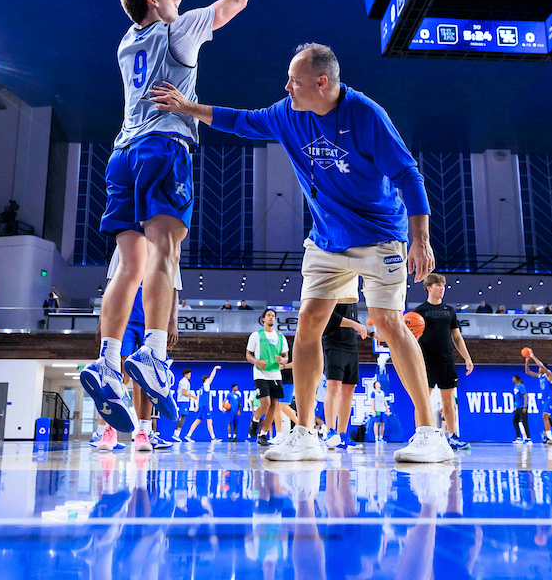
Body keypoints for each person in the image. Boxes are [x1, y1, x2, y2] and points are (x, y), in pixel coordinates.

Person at [150, 43, 450, 463]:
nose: (286, 86)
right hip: (327, 239)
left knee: (387, 323)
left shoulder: (365, 115)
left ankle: (428, 431)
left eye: (294, 80)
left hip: (380, 235)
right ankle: (305, 431)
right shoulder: (287, 113)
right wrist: (187, 107)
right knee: (308, 322)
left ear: (322, 82)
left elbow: (407, 175)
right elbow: (241, 121)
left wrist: (421, 238)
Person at [80, 0, 260, 434]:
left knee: (127, 266)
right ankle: (153, 353)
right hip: (165, 145)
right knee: (165, 254)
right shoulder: (181, 29)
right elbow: (235, 3)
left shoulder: (127, 42)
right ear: (159, 5)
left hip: (121, 155)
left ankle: (108, 361)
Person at [95, 247, 182, 452]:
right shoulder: (123, 244)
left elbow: (175, 289)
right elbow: (111, 286)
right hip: (124, 317)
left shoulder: (167, 243)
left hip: (154, 320)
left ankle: (143, 431)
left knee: (145, 376)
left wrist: (173, 321)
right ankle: (108, 430)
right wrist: (102, 319)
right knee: (118, 371)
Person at [413, 273, 474, 450]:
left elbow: (457, 336)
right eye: (438, 285)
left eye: (443, 285)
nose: (442, 288)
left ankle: (453, 436)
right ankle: (420, 434)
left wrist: (467, 357)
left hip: (447, 360)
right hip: (426, 361)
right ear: (428, 288)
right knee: (422, 400)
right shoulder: (419, 312)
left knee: (449, 401)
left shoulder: (449, 311)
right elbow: (412, 338)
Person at [322, 302, 370, 450]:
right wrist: (355, 325)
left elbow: (354, 321)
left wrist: (372, 334)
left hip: (351, 345)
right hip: (333, 342)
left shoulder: (353, 298)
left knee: (349, 390)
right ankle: (330, 431)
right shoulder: (336, 289)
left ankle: (343, 434)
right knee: (334, 386)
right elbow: (329, 315)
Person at [247, 309, 290, 447]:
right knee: (265, 404)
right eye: (269, 315)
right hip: (260, 374)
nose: (271, 318)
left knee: (274, 405)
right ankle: (254, 420)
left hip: (276, 375)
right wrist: (256, 362)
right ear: (263, 319)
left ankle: (263, 434)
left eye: (273, 316)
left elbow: (286, 357)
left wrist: (282, 360)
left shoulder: (281, 337)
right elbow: (248, 354)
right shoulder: (256, 335)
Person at [524, 353, 552, 443]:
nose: (538, 368)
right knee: (549, 421)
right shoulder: (539, 376)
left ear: (543, 368)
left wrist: (533, 356)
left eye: (540, 367)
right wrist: (527, 362)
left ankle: (550, 439)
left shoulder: (549, 375)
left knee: (545, 417)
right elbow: (527, 372)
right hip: (545, 400)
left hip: (551, 399)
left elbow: (541, 365)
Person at [186, 365, 222, 442]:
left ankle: (188, 435)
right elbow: (212, 377)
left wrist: (197, 406)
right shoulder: (206, 385)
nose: (210, 380)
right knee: (209, 421)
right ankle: (213, 438)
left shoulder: (201, 388)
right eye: (208, 379)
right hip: (205, 406)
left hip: (202, 406)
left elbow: (199, 398)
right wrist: (214, 368)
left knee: (198, 421)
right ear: (206, 380)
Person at [171, 368, 197, 442]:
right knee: (182, 417)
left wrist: (187, 397)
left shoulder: (183, 381)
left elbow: (178, 391)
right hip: (183, 401)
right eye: (189, 374)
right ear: (185, 374)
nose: (190, 375)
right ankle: (176, 434)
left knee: (182, 417)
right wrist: (192, 396)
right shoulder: (185, 382)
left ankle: (176, 434)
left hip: (183, 400)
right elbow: (183, 392)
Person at [511, 374, 530, 443]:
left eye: (513, 378)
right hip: (517, 407)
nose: (512, 379)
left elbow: (525, 396)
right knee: (515, 421)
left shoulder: (521, 386)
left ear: (516, 379)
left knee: (524, 422)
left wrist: (525, 407)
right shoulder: (515, 386)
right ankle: (518, 437)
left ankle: (528, 438)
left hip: (522, 407)